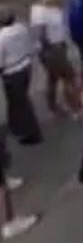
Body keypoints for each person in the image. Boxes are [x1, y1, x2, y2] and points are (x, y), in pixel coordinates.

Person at [30, 0, 80, 114]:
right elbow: (40, 34)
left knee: (53, 78)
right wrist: (49, 51)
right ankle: (73, 105)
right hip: (53, 49)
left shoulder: (49, 7)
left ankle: (54, 106)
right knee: (70, 77)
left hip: (58, 46)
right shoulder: (39, 13)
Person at [0, 9, 40, 145]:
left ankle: (32, 132)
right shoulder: (21, 28)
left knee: (20, 102)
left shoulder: (2, 37)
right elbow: (30, 45)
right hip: (25, 65)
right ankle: (16, 126)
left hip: (11, 71)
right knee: (17, 100)